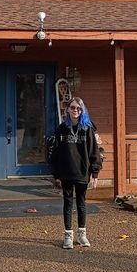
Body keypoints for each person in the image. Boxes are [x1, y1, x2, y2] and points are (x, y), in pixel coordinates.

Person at [50, 97, 101, 249]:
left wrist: (95, 173)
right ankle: (68, 235)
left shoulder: (87, 129)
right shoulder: (61, 129)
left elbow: (94, 152)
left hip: (82, 171)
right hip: (66, 172)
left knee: (81, 203)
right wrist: (56, 174)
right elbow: (56, 154)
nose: (75, 111)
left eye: (79, 108)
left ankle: (82, 234)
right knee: (67, 203)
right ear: (67, 109)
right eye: (72, 107)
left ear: (82, 110)